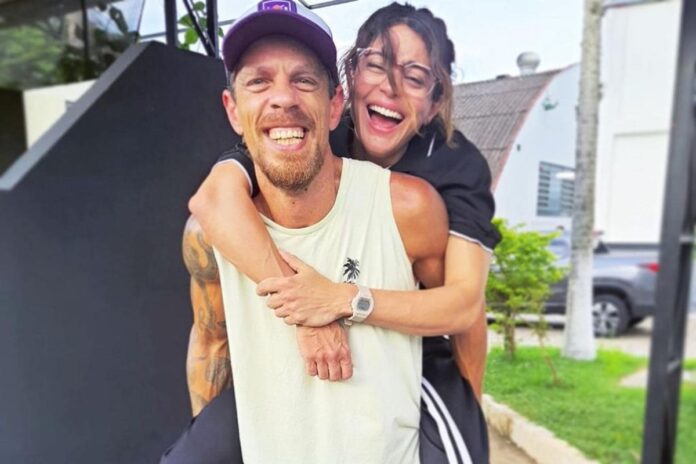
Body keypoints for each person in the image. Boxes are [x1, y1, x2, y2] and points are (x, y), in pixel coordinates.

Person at [165, 1, 499, 463]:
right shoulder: (309, 134)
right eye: (376, 65)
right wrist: (305, 309)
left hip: (419, 346)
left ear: (435, 103)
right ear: (351, 80)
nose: (390, 87)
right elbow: (211, 201)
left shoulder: (451, 171)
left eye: (415, 77)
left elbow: (464, 306)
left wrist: (341, 300)